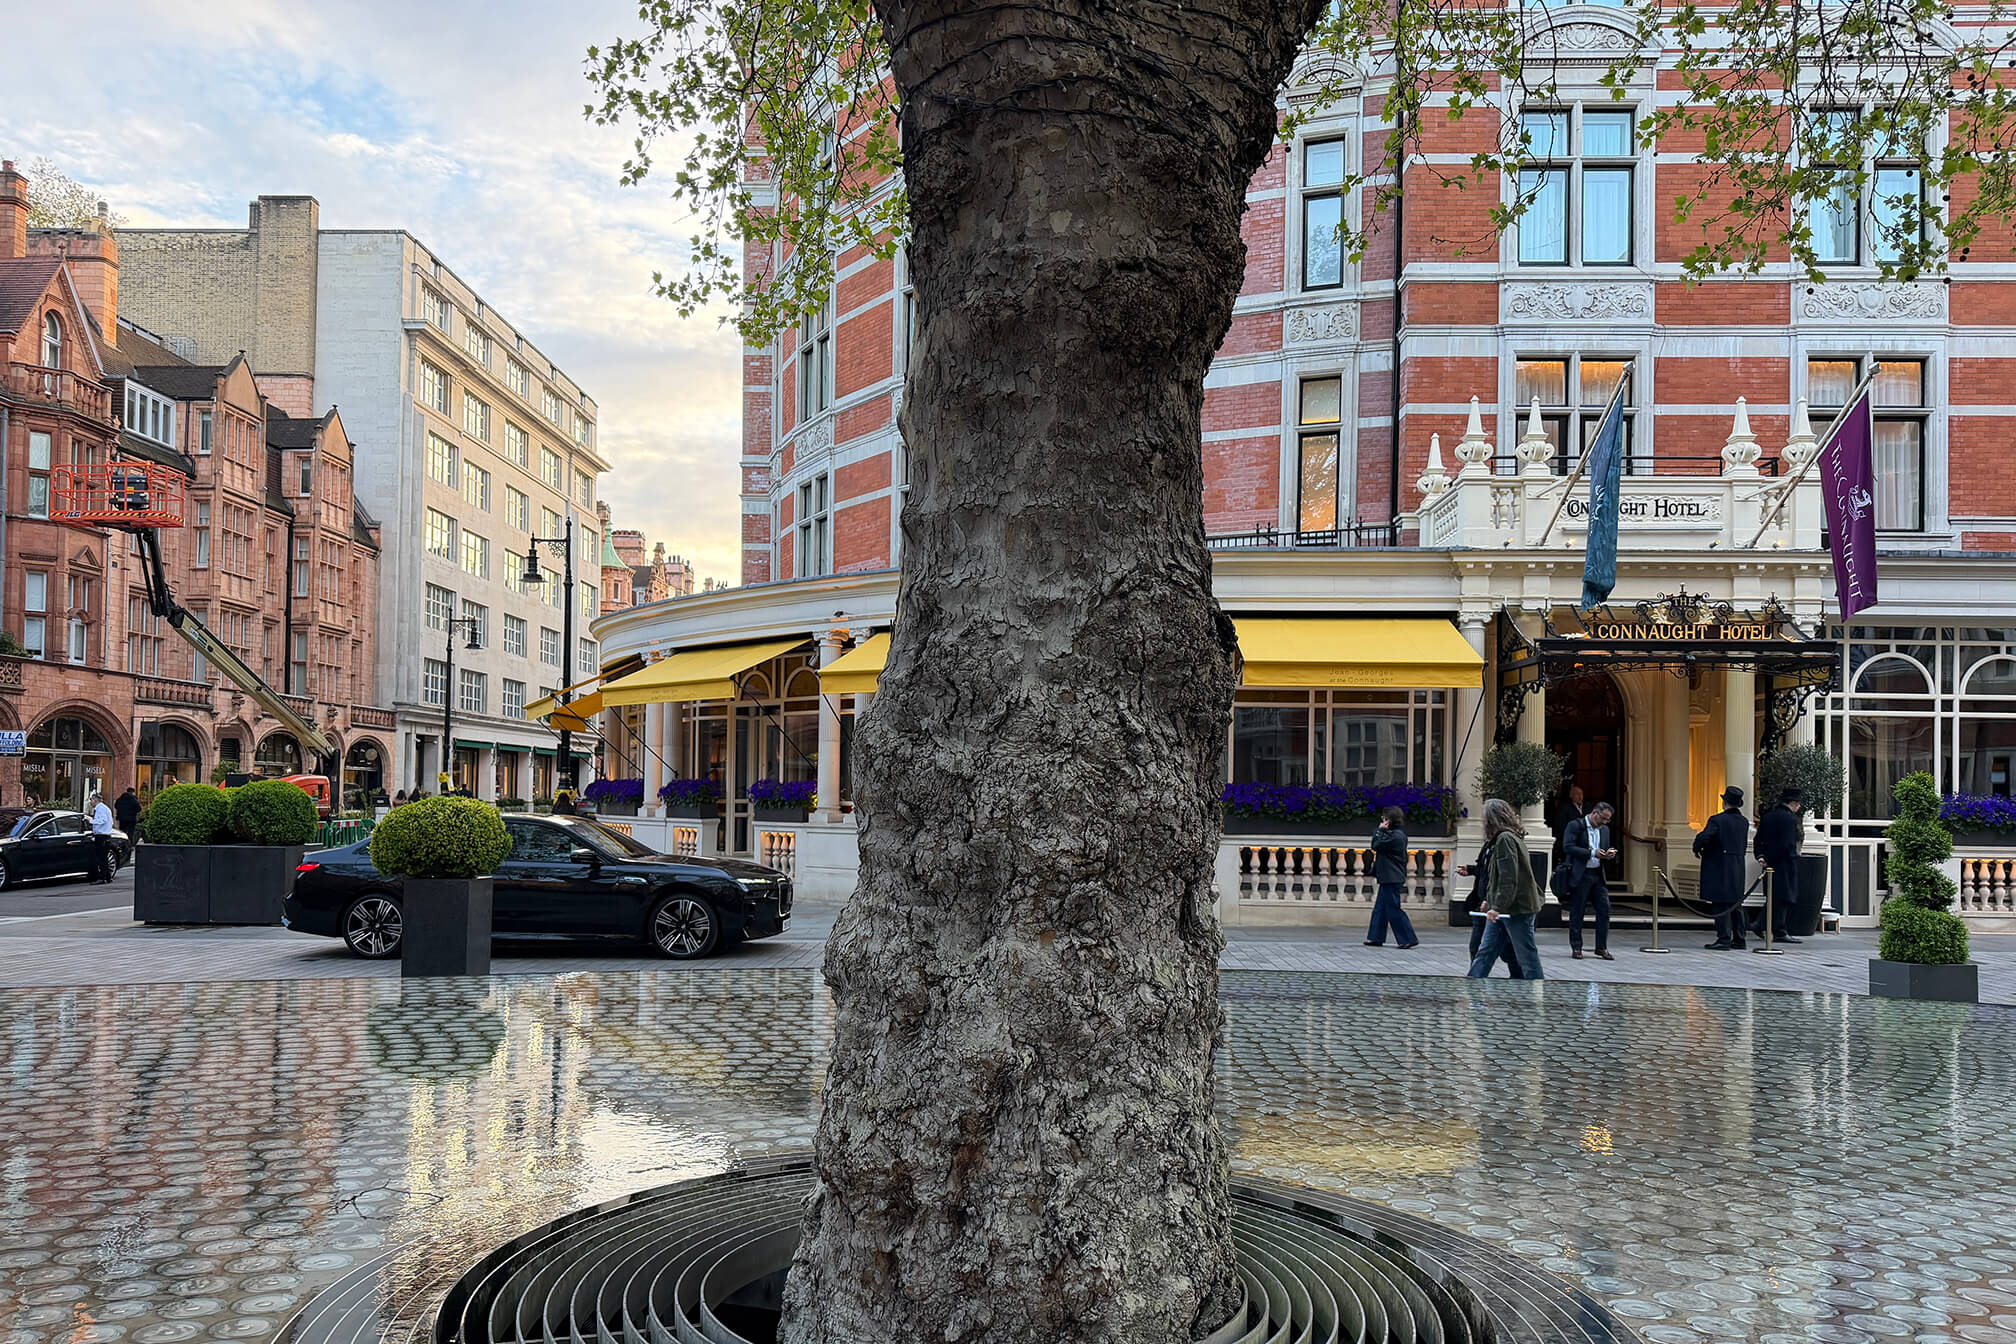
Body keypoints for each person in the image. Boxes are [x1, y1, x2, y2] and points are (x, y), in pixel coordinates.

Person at [1468, 799, 1544, 979]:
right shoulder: (1507, 838)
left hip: (1517, 908)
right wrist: (1490, 900)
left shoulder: (1504, 839)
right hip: (1507, 908)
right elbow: (1498, 876)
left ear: (1491, 819)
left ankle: (1537, 988)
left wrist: (1497, 906)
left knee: (1525, 954)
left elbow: (1508, 877)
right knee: (1486, 951)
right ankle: (1473, 985)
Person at [1694, 785, 1751, 949]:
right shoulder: (1743, 822)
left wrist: (1698, 848)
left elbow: (1704, 837)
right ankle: (1739, 938)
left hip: (1719, 866)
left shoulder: (1717, 820)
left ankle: (1724, 938)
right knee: (1735, 903)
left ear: (1725, 802)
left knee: (1720, 903)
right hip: (1737, 866)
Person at [1458, 837, 1523, 977]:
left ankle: (1518, 976)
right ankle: (1477, 978)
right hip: (1482, 904)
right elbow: (1485, 870)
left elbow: (1504, 877)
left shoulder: (1503, 843)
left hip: (1493, 905)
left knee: (1495, 948)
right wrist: (1471, 869)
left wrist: (1489, 899)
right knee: (1479, 946)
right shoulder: (1489, 845)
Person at [1562, 800, 1617, 960]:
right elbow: (1568, 847)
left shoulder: (1605, 830)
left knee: (1604, 909)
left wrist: (1608, 854)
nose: (1605, 822)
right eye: (1603, 818)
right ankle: (1576, 947)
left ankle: (1601, 947)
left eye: (1608, 820)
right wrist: (1592, 853)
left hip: (1598, 874)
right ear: (1594, 813)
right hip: (1581, 874)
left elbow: (1603, 849)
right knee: (1578, 911)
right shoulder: (1575, 826)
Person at [1753, 787, 1805, 944]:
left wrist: (1761, 856)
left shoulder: (1769, 816)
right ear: (1793, 803)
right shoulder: (1790, 819)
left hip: (1769, 864)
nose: (1799, 807)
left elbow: (1758, 839)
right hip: (1784, 863)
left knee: (1774, 897)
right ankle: (1777, 930)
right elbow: (1787, 844)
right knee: (1783, 898)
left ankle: (1763, 925)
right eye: (1798, 803)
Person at [1364, 806, 1420, 950]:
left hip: (1392, 877)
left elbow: (1376, 845)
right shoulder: (1394, 835)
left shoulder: (1396, 836)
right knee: (1381, 909)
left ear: (1389, 820)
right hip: (1388, 876)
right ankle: (1376, 937)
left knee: (1393, 909)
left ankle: (1408, 938)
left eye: (1384, 818)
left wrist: (1379, 830)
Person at [1552, 783, 1587, 864]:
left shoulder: (1587, 807)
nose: (1580, 796)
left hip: (1585, 842)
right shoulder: (1564, 808)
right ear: (1571, 796)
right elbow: (1561, 826)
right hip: (1571, 841)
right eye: (1577, 794)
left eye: (1581, 794)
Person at [88, 793, 117, 883]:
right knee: (103, 857)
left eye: (91, 800)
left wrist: (91, 821)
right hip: (104, 835)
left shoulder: (100, 809)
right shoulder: (104, 808)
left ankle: (102, 878)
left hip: (101, 836)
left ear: (95, 800)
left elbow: (103, 820)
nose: (90, 802)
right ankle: (107, 877)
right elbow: (110, 822)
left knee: (101, 857)